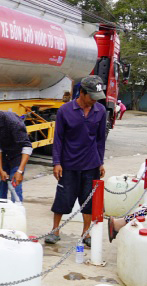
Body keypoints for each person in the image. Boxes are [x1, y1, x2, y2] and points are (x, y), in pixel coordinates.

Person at [45, 75, 107, 247]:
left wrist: (100, 162)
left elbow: (101, 139)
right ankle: (55, 230)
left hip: (91, 164)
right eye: (92, 97)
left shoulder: (100, 111)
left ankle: (86, 233)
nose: (95, 101)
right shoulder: (65, 110)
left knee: (88, 200)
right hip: (69, 164)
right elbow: (58, 139)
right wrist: (57, 163)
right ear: (82, 93)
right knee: (63, 198)